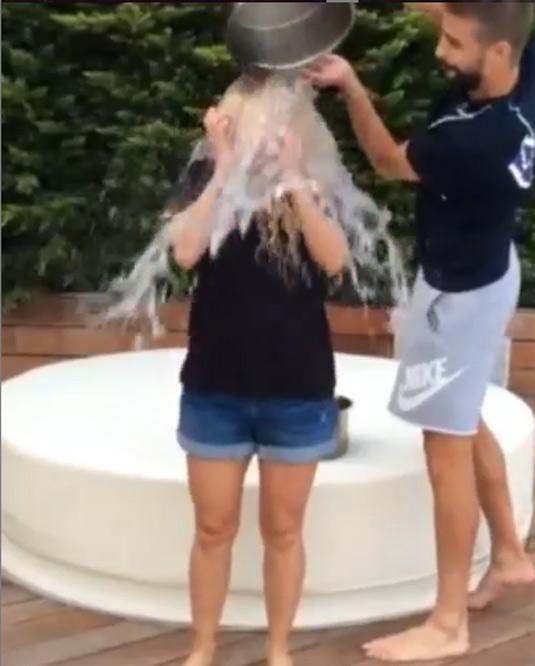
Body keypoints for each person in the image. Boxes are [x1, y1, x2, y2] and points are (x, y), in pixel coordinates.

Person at [305, 2, 535, 661]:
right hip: (491, 271)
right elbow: (470, 10)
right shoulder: (523, 68)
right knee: (464, 421)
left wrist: (351, 85)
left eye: (455, 43)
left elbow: (384, 160)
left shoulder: (474, 142)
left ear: (495, 54)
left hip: (460, 298)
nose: (442, 49)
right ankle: (512, 557)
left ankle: (447, 623)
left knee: (446, 447)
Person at [168, 81, 349, 666]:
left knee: (284, 532)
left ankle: (278, 651)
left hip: (297, 392)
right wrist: (222, 173)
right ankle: (203, 649)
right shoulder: (209, 186)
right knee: (213, 529)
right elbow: (186, 252)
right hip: (215, 389)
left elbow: (335, 260)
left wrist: (294, 180)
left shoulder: (315, 187)